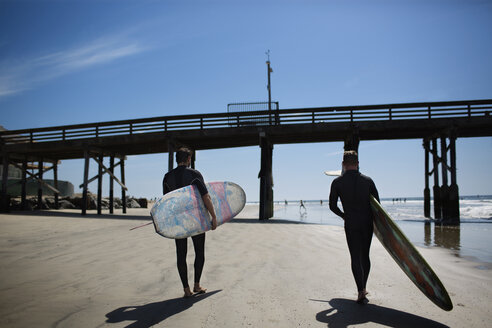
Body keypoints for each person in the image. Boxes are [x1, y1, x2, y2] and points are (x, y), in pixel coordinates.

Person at [163, 147, 218, 298]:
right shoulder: (194, 174)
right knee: (199, 252)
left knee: (181, 254)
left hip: (178, 221)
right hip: (196, 220)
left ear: (176, 159)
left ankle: (186, 289)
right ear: (189, 159)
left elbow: (166, 203)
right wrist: (213, 216)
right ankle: (197, 285)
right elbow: (206, 197)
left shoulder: (167, 177)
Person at [329, 150, 380, 303]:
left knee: (355, 256)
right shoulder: (368, 181)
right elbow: (377, 206)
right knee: (365, 255)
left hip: (351, 223)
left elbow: (332, 206)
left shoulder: (337, 182)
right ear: (357, 164)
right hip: (366, 222)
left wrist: (344, 215)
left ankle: (359, 291)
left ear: (343, 165)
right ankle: (364, 288)